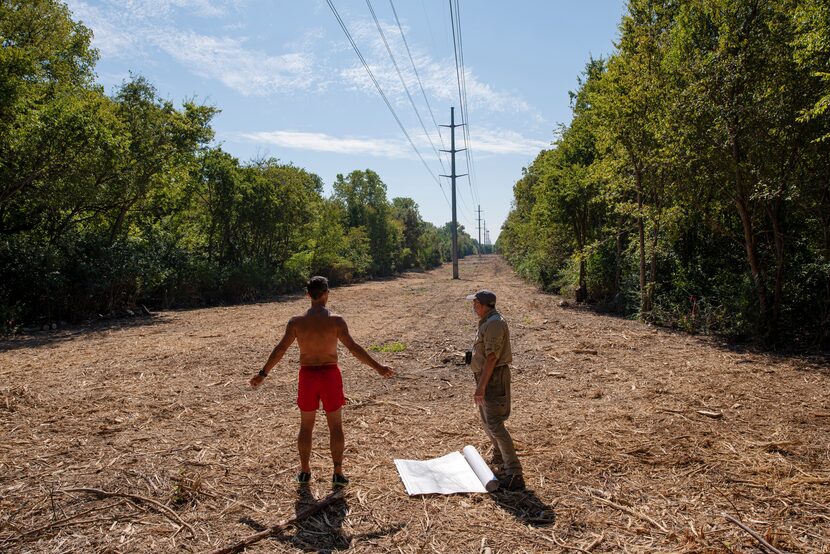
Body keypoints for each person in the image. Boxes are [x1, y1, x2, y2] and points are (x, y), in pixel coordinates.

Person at [250, 276, 395, 487]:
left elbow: (280, 350)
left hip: (307, 376)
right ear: (326, 293)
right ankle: (337, 473)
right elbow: (354, 349)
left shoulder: (296, 322)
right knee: (335, 426)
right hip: (329, 375)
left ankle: (304, 472)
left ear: (308, 295)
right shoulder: (336, 321)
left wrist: (263, 373)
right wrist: (379, 368)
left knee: (306, 426)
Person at [466, 289, 525, 491]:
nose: (473, 307)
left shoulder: (494, 323)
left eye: (474, 304)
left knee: (495, 424)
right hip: (486, 377)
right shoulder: (487, 321)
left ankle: (514, 473)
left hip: (492, 378)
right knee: (487, 422)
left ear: (482, 305)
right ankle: (500, 455)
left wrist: (481, 386)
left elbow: (492, 358)